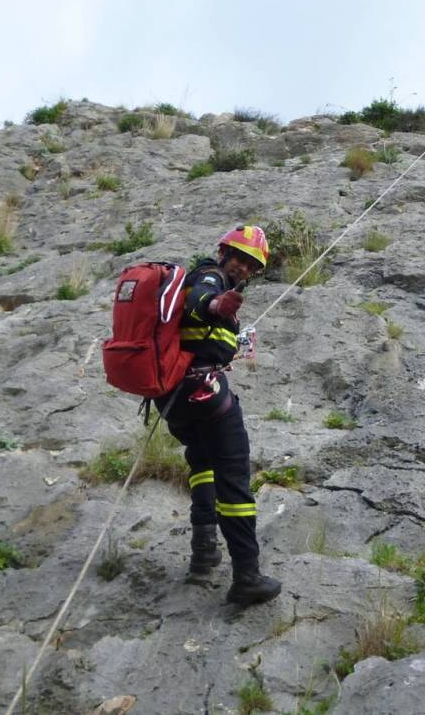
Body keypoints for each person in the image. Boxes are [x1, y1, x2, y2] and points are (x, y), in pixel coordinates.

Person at [154, 225, 282, 606]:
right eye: (240, 259)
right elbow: (200, 298)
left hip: (174, 401)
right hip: (203, 393)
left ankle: (204, 553)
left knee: (204, 465)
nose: (243, 268)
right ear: (224, 252)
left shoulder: (218, 281)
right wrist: (215, 306)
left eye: (251, 265)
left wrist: (231, 335)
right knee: (234, 474)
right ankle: (247, 576)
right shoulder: (210, 274)